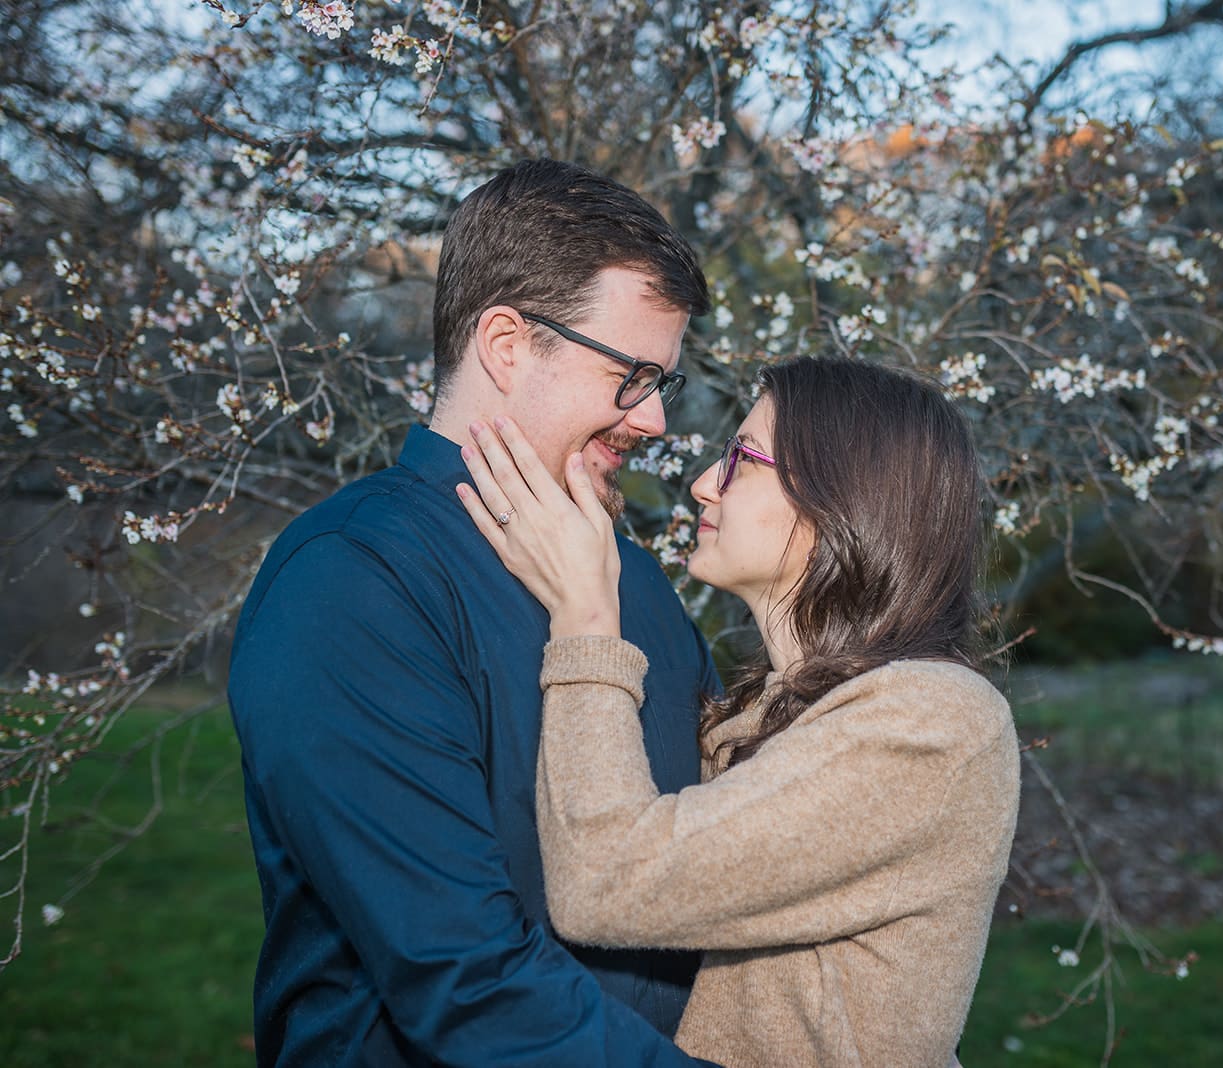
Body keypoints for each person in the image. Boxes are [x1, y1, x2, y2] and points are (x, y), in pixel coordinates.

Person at [227, 159, 722, 1065]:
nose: (653, 421)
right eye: (632, 374)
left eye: (664, 383)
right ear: (505, 343)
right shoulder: (350, 582)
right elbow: (462, 977)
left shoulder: (636, 584)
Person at [457, 355, 1022, 1067]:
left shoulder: (934, 726)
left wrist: (587, 618)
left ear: (841, 497)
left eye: (741, 460)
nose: (701, 485)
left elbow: (607, 879)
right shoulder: (763, 714)